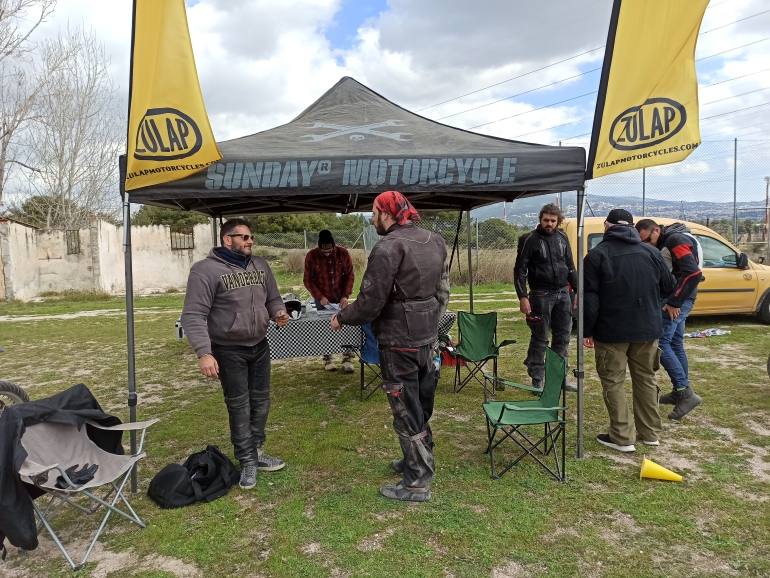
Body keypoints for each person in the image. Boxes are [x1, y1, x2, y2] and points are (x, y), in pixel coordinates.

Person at [331, 191, 449, 502]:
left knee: (405, 409)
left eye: (374, 213)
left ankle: (417, 482)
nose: (372, 219)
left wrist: (342, 317)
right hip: (427, 336)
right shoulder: (435, 240)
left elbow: (370, 303)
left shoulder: (387, 247)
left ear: (387, 213)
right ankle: (417, 458)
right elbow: (443, 291)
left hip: (398, 340)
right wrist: (431, 323)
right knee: (420, 403)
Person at [181, 218, 289, 490]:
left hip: (259, 345)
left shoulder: (260, 265)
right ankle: (247, 461)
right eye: (244, 237)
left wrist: (278, 311)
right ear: (227, 239)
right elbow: (193, 315)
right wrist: (204, 353)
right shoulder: (204, 271)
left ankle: (258, 451)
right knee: (239, 406)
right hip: (228, 350)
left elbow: (273, 297)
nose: (250, 241)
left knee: (261, 403)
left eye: (251, 237)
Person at [584, 209, 676, 452]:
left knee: (613, 381)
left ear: (606, 226)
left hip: (611, 330)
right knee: (646, 379)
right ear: (633, 228)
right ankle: (650, 433)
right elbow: (669, 285)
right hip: (648, 328)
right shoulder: (651, 252)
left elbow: (590, 299)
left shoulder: (596, 255)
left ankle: (622, 437)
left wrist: (587, 330)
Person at [635, 219, 704, 421]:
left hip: (677, 299)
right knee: (674, 342)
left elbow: (693, 273)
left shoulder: (675, 240)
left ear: (656, 230)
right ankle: (678, 391)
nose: (647, 245)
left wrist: (675, 301)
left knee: (661, 342)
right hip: (681, 297)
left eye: (647, 240)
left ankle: (685, 392)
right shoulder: (670, 240)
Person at [514, 203, 578, 394]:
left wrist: (578, 291)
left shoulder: (563, 237)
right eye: (546, 220)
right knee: (540, 337)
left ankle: (560, 378)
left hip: (563, 293)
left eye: (553, 220)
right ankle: (537, 379)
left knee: (563, 337)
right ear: (540, 219)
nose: (549, 223)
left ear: (558, 221)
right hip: (540, 294)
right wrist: (523, 296)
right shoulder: (529, 239)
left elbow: (570, 266)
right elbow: (520, 271)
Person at [303, 230, 355, 372]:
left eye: (329, 251)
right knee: (324, 328)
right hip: (322, 298)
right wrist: (320, 296)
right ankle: (328, 359)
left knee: (346, 326)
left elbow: (350, 275)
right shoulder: (311, 256)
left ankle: (347, 359)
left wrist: (345, 295)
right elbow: (308, 280)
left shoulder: (343, 253)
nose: (327, 254)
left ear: (333, 246)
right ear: (319, 247)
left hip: (340, 297)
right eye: (324, 251)